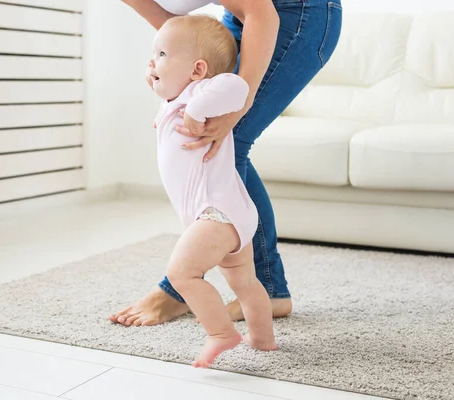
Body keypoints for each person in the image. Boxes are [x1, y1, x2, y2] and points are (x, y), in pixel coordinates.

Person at [110, 0, 342, 327]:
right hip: (240, 17)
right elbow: (174, 31)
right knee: (219, 138)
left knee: (225, 139)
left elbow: (262, 14)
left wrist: (239, 104)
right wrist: (165, 69)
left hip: (295, 14)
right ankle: (257, 286)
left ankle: (185, 286)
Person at [148, 14, 277, 368]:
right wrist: (163, 86)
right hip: (226, 211)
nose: (151, 62)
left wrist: (198, 106)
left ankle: (221, 333)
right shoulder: (177, 98)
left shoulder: (201, 93)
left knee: (182, 274)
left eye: (161, 54)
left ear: (198, 68)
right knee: (245, 283)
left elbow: (236, 87)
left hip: (215, 213)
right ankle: (263, 340)